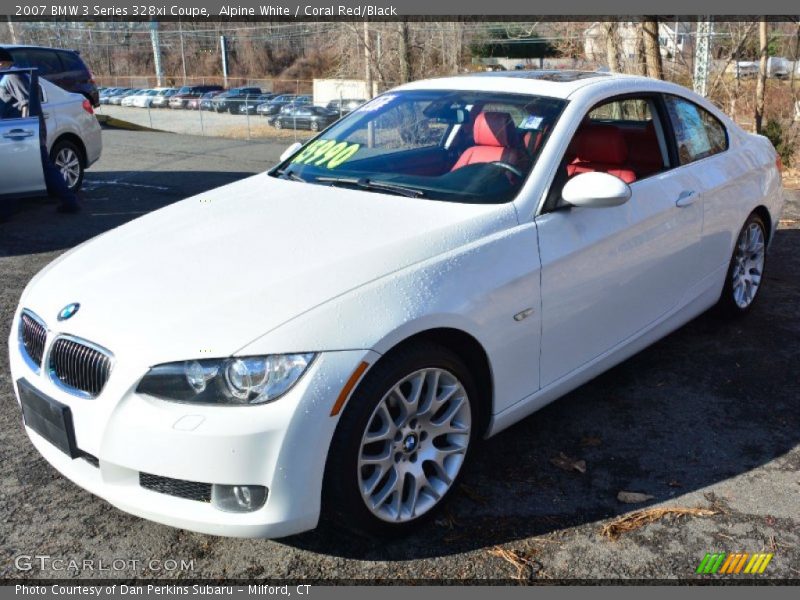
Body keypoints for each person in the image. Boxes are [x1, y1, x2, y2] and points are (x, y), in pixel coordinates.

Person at [0, 48, 80, 214]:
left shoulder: (12, 76)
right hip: (20, 132)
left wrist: (24, 131)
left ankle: (70, 202)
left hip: (22, 133)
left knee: (33, 168)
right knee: (20, 169)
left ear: (2, 62)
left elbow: (27, 104)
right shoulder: (11, 76)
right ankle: (69, 202)